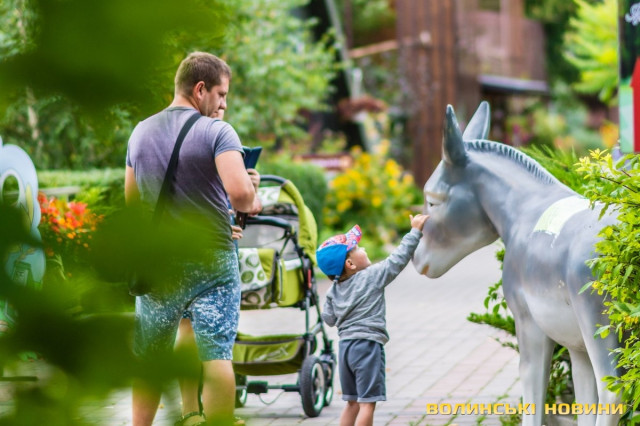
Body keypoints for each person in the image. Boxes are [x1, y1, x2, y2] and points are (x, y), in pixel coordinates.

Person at [125, 52, 261, 426]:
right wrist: (253, 194)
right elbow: (241, 196)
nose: (224, 104)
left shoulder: (139, 133)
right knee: (215, 355)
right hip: (211, 261)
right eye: (221, 94)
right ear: (200, 89)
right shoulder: (218, 132)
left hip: (159, 265)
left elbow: (133, 206)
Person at [318, 214, 429, 426]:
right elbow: (397, 259)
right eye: (357, 248)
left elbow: (329, 319)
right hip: (367, 346)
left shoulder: (333, 290)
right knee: (367, 404)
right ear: (350, 263)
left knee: (352, 403)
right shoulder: (371, 277)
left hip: (345, 348)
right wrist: (415, 231)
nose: (363, 249)